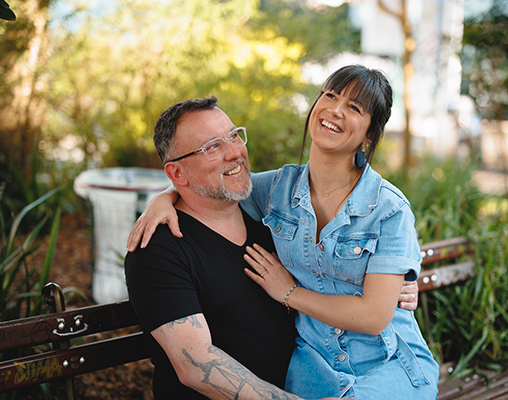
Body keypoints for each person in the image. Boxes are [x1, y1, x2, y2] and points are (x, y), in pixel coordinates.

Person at [127, 65, 436, 399]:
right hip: (313, 375)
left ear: (370, 135)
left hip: (382, 363)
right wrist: (163, 198)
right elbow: (211, 184)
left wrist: (290, 293)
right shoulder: (276, 194)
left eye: (354, 107)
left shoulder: (384, 208)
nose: (234, 152)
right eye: (330, 95)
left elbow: (374, 316)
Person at [125, 97, 345, 400]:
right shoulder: (158, 248)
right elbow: (196, 364)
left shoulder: (270, 221)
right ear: (177, 175)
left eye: (233, 136)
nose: (235, 153)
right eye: (212, 147)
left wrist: (388, 283)